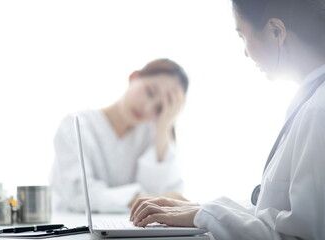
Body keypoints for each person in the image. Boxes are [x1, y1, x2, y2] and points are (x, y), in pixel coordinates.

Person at [130, 1, 325, 239]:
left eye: (242, 35)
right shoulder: (310, 102)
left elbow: (301, 235)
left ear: (276, 31)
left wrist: (203, 215)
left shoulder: (318, 111)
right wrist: (199, 210)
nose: (244, 51)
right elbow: (276, 212)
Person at [50, 58, 189, 213]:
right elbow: (78, 194)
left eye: (159, 108)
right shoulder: (75, 124)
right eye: (150, 92)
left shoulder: (154, 136)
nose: (147, 108)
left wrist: (164, 127)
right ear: (134, 77)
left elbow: (165, 200)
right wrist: (135, 199)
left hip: (131, 232)